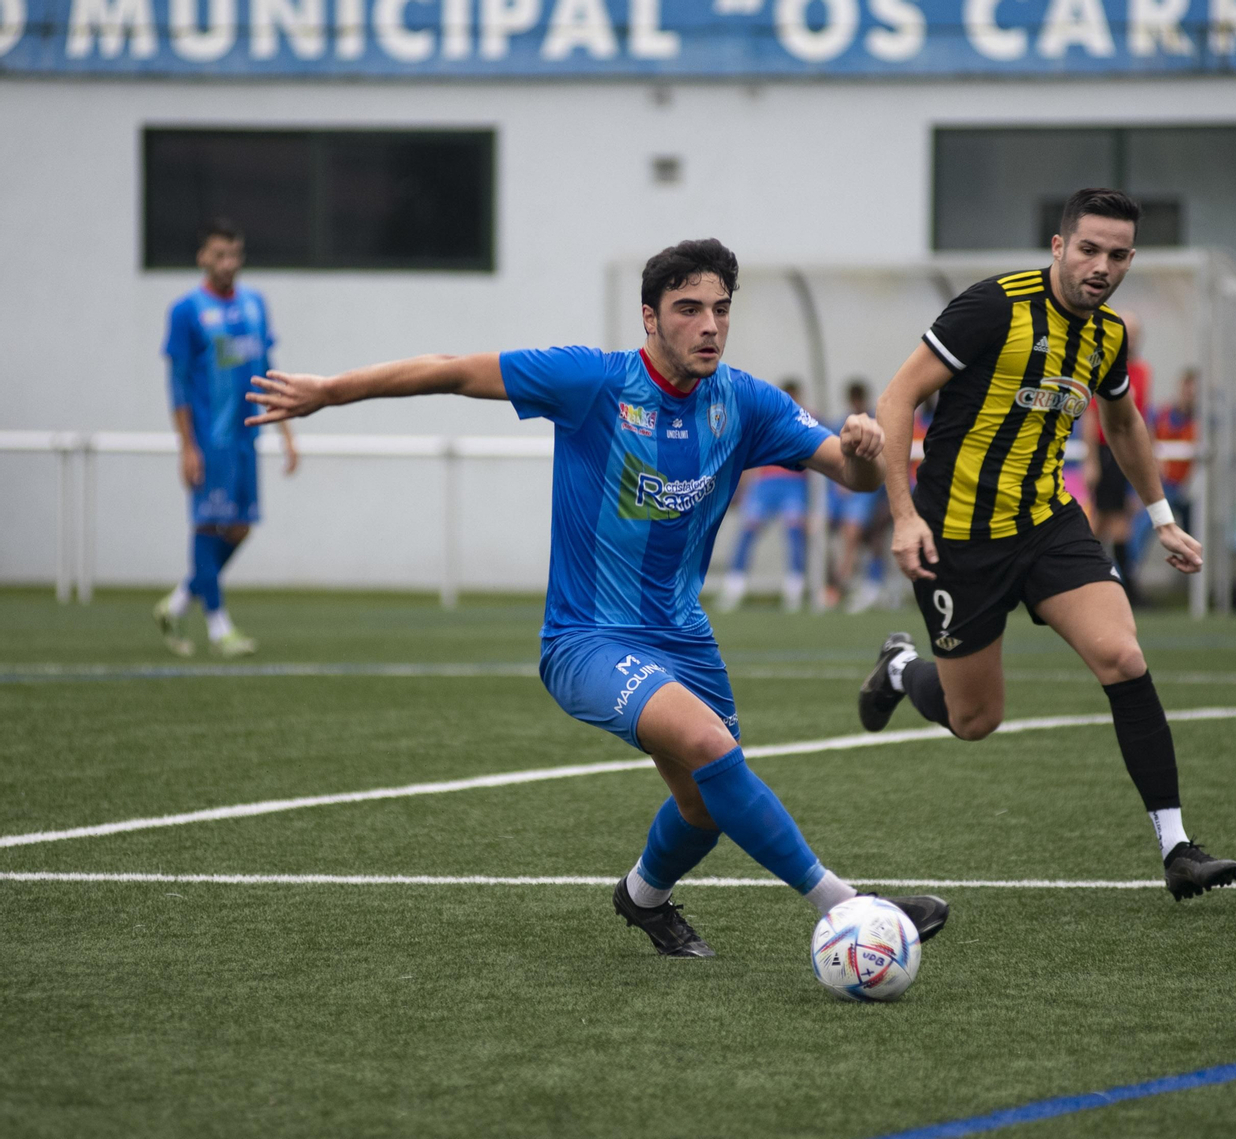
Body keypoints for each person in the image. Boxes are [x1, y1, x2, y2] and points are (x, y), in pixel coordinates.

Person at [244, 238, 948, 957]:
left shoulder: (743, 401)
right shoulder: (591, 382)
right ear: (649, 318)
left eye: (720, 310)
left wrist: (864, 454)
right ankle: (849, 906)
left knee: (705, 807)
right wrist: (330, 392)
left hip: (684, 635)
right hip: (587, 639)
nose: (709, 325)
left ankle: (642, 897)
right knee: (712, 748)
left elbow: (848, 475)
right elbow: (452, 371)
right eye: (688, 309)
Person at [857, 189, 1236, 902]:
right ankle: (902, 666)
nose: (1102, 265)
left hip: (1048, 525)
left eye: (1118, 254)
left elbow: (1122, 425)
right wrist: (903, 515)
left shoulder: (1107, 335)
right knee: (975, 719)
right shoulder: (993, 307)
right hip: (958, 538)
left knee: (1123, 654)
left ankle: (1177, 846)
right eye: (1089, 248)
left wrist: (1160, 516)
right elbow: (896, 397)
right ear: (1059, 247)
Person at [153, 218, 298, 658]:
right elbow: (177, 383)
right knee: (207, 523)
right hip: (209, 441)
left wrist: (287, 432)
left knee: (240, 526)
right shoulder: (187, 311)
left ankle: (178, 601)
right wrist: (187, 446)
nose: (228, 263)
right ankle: (219, 628)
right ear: (202, 257)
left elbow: (268, 369)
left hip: (245, 438)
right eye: (219, 254)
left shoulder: (256, 305)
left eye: (235, 254)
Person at [718, 378, 810, 612]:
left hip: (793, 484)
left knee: (794, 534)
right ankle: (735, 585)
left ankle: (794, 588)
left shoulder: (807, 420)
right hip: (766, 484)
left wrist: (814, 503)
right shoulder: (767, 420)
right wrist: (742, 489)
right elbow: (750, 456)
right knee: (747, 533)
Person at [1080, 310, 1150, 601]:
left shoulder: (1143, 372)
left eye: (1135, 335)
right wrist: (1092, 460)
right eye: (1127, 333)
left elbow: (1141, 418)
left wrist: (1148, 456)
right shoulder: (1102, 364)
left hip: (1127, 451)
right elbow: (1091, 415)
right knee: (1109, 520)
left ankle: (1107, 584)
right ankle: (1116, 586)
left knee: (1117, 520)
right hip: (1106, 451)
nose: (1130, 340)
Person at [1127, 367, 1199, 571]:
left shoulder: (1201, 423)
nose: (1190, 395)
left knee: (1191, 527)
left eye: (1195, 391)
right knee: (1140, 525)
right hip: (1158, 487)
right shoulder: (1161, 415)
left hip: (1181, 491)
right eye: (1188, 389)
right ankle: (1127, 574)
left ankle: (1199, 577)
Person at [828, 379, 890, 613]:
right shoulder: (840, 425)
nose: (856, 403)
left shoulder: (876, 425)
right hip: (842, 490)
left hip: (869, 491)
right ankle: (833, 580)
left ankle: (843, 583)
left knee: (857, 531)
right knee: (816, 526)